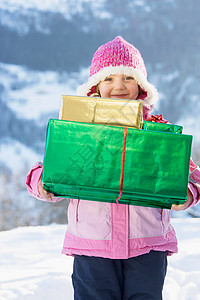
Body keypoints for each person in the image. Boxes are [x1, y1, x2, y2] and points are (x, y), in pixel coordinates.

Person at [26, 36, 200, 300]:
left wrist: (187, 193)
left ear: (141, 85)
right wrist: (42, 182)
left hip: (147, 247)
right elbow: (54, 167)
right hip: (93, 247)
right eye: (108, 78)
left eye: (128, 78)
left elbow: (190, 176)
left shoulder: (154, 132)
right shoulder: (83, 131)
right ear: (96, 85)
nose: (118, 86)